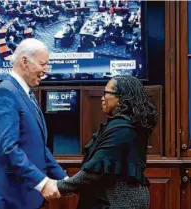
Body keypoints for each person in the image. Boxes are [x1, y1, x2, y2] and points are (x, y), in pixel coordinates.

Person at [0, 38, 68, 209]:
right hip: (11, 199)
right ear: (24, 61)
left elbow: (37, 146)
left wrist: (64, 180)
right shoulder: (5, 93)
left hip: (28, 198)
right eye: (43, 64)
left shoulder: (25, 92)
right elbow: (9, 149)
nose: (46, 70)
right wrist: (42, 183)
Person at [56, 75, 159, 209]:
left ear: (121, 98)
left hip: (119, 203)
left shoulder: (123, 129)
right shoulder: (125, 124)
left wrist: (59, 187)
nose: (102, 98)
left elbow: (94, 171)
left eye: (106, 93)